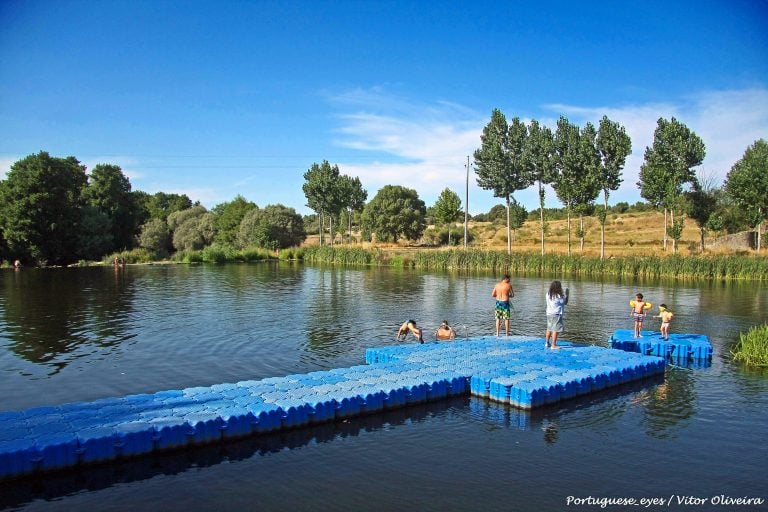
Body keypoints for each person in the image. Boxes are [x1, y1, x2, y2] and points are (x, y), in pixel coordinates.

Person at [545, 280, 569, 349]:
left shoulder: (548, 294)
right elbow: (565, 302)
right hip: (556, 314)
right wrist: (567, 295)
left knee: (549, 328)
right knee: (555, 329)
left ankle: (547, 342)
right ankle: (553, 345)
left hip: (549, 313)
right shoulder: (558, 296)